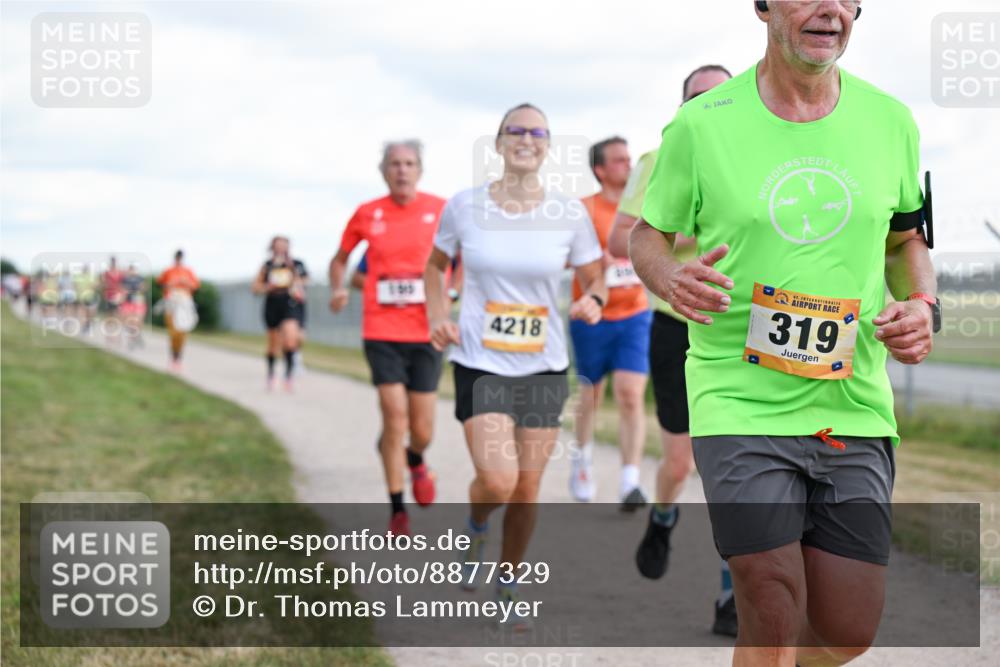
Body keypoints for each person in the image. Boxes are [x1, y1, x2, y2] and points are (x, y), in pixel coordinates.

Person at [630, 2, 937, 664]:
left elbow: (906, 243)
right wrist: (667, 278)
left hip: (850, 400)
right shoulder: (701, 125)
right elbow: (647, 234)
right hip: (737, 393)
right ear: (764, 7)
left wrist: (924, 305)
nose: (828, 7)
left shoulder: (891, 121)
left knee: (846, 629)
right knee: (770, 599)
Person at [425, 103, 606, 630]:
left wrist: (592, 299)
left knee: (528, 487)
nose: (527, 139)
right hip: (479, 361)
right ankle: (477, 521)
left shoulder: (569, 214)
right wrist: (439, 315)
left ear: (548, 146)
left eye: (538, 132)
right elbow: (436, 267)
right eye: (516, 131)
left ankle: (507, 580)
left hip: (544, 364)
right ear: (499, 142)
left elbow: (595, 277)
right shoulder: (465, 207)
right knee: (498, 481)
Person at [608, 64, 737, 637]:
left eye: (721, 96)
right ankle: (662, 517)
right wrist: (694, 230)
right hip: (675, 322)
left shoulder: (759, 152)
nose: (710, 106)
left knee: (739, 470)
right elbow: (622, 236)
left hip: (743, 328)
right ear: (681, 108)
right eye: (697, 99)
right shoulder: (658, 159)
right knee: (682, 464)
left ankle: (733, 595)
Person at [329, 140, 448, 538]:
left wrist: (454, 293)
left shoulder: (441, 209)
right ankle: (398, 508)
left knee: (423, 428)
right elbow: (340, 259)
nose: (402, 170)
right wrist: (338, 288)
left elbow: (465, 256)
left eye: (409, 163)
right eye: (395, 163)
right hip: (381, 330)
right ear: (383, 170)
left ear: (420, 170)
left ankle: (416, 459)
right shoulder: (367, 213)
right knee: (394, 417)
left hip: (427, 331)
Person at [567, 136, 652, 510]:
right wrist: (595, 260)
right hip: (592, 315)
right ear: (600, 169)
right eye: (619, 160)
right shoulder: (583, 209)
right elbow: (565, 256)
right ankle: (582, 459)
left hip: (635, 313)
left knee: (631, 395)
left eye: (630, 158)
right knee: (591, 394)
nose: (629, 165)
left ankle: (630, 481)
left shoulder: (645, 207)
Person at [252, 236, 309, 391]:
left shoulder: (297, 265)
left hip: (290, 304)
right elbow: (256, 287)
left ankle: (288, 376)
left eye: (284, 246)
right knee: (273, 345)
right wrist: (267, 287)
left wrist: (292, 274)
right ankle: (271, 375)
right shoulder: (267, 266)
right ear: (272, 248)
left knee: (291, 340)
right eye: (278, 246)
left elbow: (306, 281)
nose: (281, 249)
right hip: (272, 304)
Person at [156, 250, 200, 371]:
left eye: (180, 258)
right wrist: (170, 284)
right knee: (173, 331)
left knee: (182, 331)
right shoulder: (168, 271)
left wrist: (186, 283)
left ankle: (178, 358)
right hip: (172, 302)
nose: (179, 260)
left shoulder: (188, 271)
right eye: (177, 258)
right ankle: (173, 357)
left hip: (185, 302)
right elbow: (160, 284)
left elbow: (196, 287)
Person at [119, 264, 147, 349]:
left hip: (138, 302)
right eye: (130, 270)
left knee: (138, 321)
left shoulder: (140, 278)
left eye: (133, 270)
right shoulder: (124, 280)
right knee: (130, 321)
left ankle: (137, 336)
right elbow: (122, 290)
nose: (131, 272)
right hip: (128, 303)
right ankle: (131, 339)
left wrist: (139, 289)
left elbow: (144, 288)